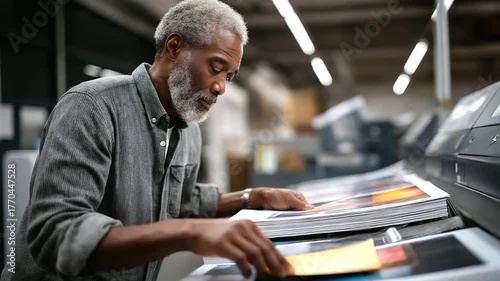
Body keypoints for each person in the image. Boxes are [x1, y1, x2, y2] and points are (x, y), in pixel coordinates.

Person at [1, 0, 314, 280]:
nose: (221, 88)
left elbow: (184, 205)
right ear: (175, 48)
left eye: (229, 77)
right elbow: (55, 235)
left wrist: (252, 198)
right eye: (216, 69)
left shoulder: (189, 128)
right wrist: (188, 233)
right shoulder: (92, 107)